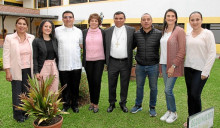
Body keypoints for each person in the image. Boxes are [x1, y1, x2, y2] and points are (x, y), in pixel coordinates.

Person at [183, 11, 216, 127]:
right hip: (188, 69)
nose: (195, 22)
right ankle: (191, 121)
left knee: (195, 95)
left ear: (201, 20)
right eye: (192, 20)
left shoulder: (207, 34)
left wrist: (205, 71)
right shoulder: (187, 35)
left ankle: (198, 122)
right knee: (190, 96)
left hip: (200, 71)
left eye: (197, 19)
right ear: (189, 21)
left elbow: (212, 53)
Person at [3, 17, 35, 122]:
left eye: (24, 24)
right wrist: (7, 71)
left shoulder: (31, 37)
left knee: (27, 92)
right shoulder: (9, 38)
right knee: (17, 93)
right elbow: (6, 55)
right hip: (16, 69)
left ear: (27, 26)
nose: (22, 26)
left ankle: (26, 112)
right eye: (19, 24)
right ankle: (17, 115)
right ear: (16, 25)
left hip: (28, 69)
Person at [130, 13, 162, 117]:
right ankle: (138, 105)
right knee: (139, 87)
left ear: (151, 21)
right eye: (144, 19)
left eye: (148, 19)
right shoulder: (137, 34)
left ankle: (152, 107)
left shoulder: (158, 33)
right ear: (141, 22)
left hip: (153, 66)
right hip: (140, 66)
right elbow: (130, 47)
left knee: (153, 88)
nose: (146, 21)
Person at [105, 11, 135, 113]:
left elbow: (133, 44)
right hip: (112, 61)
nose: (118, 20)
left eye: (121, 18)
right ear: (113, 19)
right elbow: (105, 46)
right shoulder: (108, 31)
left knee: (124, 84)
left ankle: (123, 103)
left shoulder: (131, 30)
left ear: (124, 19)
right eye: (116, 18)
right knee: (111, 84)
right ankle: (112, 103)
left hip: (125, 62)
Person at [159, 8, 186, 123]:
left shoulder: (179, 31)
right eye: (168, 16)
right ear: (165, 18)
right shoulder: (164, 30)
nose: (170, 18)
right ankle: (169, 111)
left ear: (176, 18)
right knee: (166, 90)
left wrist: (173, 66)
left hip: (173, 65)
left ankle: (174, 113)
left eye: (172, 16)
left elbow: (182, 50)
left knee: (168, 90)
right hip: (164, 64)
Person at [55, 10, 83, 113]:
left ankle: (75, 105)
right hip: (63, 64)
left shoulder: (78, 31)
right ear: (62, 19)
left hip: (76, 64)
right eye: (65, 17)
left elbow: (81, 45)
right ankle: (66, 105)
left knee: (75, 86)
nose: (68, 19)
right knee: (64, 87)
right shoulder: (57, 31)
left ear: (73, 19)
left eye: (70, 17)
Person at [82, 13, 105, 113]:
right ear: (89, 21)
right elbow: (81, 44)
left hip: (99, 60)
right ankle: (91, 102)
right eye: (92, 20)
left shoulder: (103, 32)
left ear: (99, 22)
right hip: (88, 60)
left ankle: (96, 103)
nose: (94, 22)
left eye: (96, 21)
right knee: (90, 82)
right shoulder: (84, 32)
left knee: (96, 81)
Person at [32, 20, 59, 93]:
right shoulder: (36, 41)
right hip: (43, 67)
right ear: (41, 28)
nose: (48, 28)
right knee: (43, 89)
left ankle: (53, 104)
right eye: (46, 26)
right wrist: (36, 72)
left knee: (54, 88)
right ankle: (44, 105)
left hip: (53, 66)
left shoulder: (54, 40)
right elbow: (34, 57)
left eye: (50, 27)